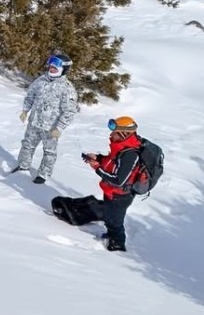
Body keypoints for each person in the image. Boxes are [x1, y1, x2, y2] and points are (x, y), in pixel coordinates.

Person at [13, 53, 79, 184]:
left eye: (55, 67)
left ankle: (43, 174)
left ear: (63, 69)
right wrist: (25, 110)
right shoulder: (41, 80)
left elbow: (69, 111)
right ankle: (23, 166)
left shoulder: (67, 88)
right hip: (34, 122)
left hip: (51, 128)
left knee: (49, 151)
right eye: (51, 66)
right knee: (27, 145)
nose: (51, 69)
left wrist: (59, 127)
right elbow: (30, 95)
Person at [82, 116, 142, 252]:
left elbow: (119, 180)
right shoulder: (120, 148)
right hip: (110, 191)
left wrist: (97, 168)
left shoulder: (130, 155)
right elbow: (111, 163)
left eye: (114, 132)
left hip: (121, 195)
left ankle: (118, 246)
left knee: (116, 222)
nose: (111, 135)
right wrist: (98, 158)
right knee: (109, 217)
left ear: (123, 134)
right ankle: (110, 235)